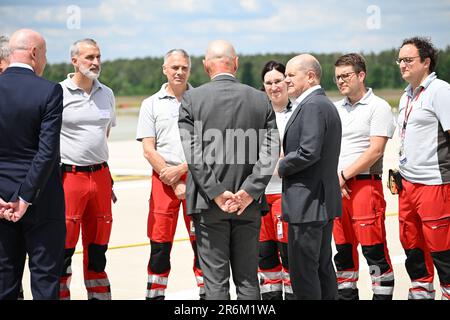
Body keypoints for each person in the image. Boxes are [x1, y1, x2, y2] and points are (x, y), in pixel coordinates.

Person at [178, 40, 279, 300]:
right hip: (249, 207)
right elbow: (270, 153)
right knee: (247, 281)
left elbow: (194, 156)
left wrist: (216, 192)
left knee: (215, 285)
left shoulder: (192, 99)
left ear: (205, 66)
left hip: (208, 207)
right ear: (235, 63)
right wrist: (248, 192)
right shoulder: (260, 99)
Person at [0, 28, 66, 300]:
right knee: (45, 278)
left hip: (1, 201)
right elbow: (47, 152)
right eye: (46, 54)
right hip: (41, 200)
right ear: (35, 53)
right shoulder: (49, 90)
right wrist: (25, 196)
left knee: (4, 279)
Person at [136, 49, 204, 300]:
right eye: (174, 67)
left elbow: (209, 145)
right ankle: (155, 295)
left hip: (196, 180)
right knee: (160, 246)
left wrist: (183, 171)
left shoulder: (201, 100)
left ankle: (207, 295)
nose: (179, 72)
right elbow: (147, 148)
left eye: (184, 67)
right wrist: (171, 176)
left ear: (190, 69)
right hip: (162, 181)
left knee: (202, 246)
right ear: (164, 68)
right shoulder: (151, 103)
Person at [278, 54, 342, 300]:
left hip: (308, 205)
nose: (286, 81)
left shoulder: (313, 106)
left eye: (291, 75)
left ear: (311, 76)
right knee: (322, 267)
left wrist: (282, 165)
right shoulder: (323, 104)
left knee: (304, 273)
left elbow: (308, 152)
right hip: (320, 204)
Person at [332, 53, 395, 300]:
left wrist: (343, 175)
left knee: (374, 253)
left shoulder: (378, 107)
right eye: (337, 77)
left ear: (361, 75)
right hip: (339, 189)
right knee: (343, 253)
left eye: (346, 75)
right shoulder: (335, 108)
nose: (340, 81)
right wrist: (335, 179)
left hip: (365, 188)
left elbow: (375, 151)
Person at [58, 39, 116, 300]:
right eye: (89, 57)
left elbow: (105, 135)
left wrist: (106, 176)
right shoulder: (58, 93)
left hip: (101, 175)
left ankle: (99, 296)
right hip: (70, 176)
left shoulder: (107, 93)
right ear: (74, 61)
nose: (95, 62)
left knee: (98, 244)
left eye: (98, 57)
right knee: (65, 244)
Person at [396, 37, 450, 300]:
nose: (402, 65)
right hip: (407, 185)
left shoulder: (440, 90)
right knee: (413, 247)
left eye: (408, 60)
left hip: (434, 184)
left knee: (442, 250)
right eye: (400, 60)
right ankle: (421, 294)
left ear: (426, 62)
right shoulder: (407, 95)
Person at [258, 60, 294, 300]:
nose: (274, 87)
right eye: (269, 83)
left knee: (289, 257)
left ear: (287, 82)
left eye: (278, 81)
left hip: (287, 194)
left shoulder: (299, 111)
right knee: (265, 257)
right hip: (260, 195)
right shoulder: (257, 114)